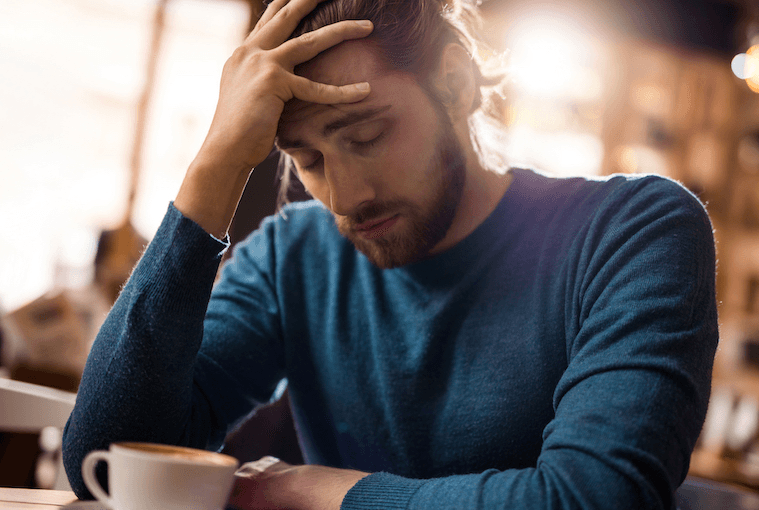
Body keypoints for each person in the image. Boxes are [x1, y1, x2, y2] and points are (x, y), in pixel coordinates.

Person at [63, 0, 719, 508]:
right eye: (308, 160)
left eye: (368, 135)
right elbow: (107, 461)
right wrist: (216, 165)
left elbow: (595, 500)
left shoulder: (636, 231)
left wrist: (317, 492)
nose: (344, 197)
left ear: (457, 85)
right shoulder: (291, 258)